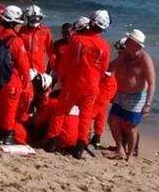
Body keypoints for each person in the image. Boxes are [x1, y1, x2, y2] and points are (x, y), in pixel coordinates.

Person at [46, 10, 111, 159]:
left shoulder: (77, 40)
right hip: (92, 86)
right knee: (86, 116)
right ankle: (80, 147)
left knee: (61, 112)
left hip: (73, 84)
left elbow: (65, 64)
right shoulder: (105, 47)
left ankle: (52, 142)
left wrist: (61, 80)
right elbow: (103, 69)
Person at [108, 29, 156, 160]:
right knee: (112, 120)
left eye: (129, 40)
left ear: (135, 44)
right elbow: (110, 66)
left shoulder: (144, 58)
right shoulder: (124, 54)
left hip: (136, 96)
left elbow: (152, 82)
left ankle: (130, 154)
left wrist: (148, 104)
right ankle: (120, 149)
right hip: (121, 94)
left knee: (131, 126)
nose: (126, 42)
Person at [0, 6, 31, 145]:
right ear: (13, 23)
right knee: (9, 109)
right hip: (11, 81)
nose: (20, 26)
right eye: (18, 23)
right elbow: (24, 66)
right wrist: (26, 82)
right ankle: (7, 135)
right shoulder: (16, 41)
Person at [20, 5, 54, 75]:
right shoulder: (21, 31)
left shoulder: (45, 31)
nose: (35, 20)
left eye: (37, 18)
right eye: (33, 18)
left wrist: (54, 68)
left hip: (39, 69)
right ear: (28, 18)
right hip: (24, 68)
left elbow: (50, 51)